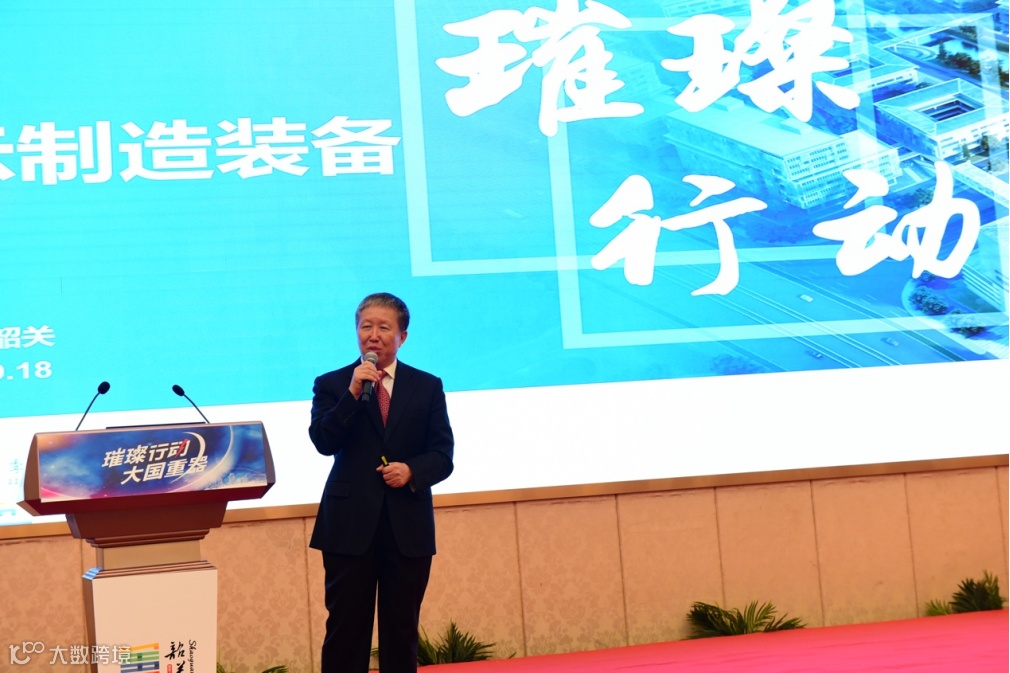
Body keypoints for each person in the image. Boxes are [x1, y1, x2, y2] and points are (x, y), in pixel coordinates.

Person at [309, 292, 454, 673]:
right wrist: (353, 393)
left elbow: (443, 455)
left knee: (401, 630)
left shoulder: (427, 386)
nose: (373, 335)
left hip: (407, 527)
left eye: (383, 327)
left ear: (402, 336)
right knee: (345, 629)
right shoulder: (332, 384)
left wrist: (411, 471)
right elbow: (323, 441)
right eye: (366, 326)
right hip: (348, 526)